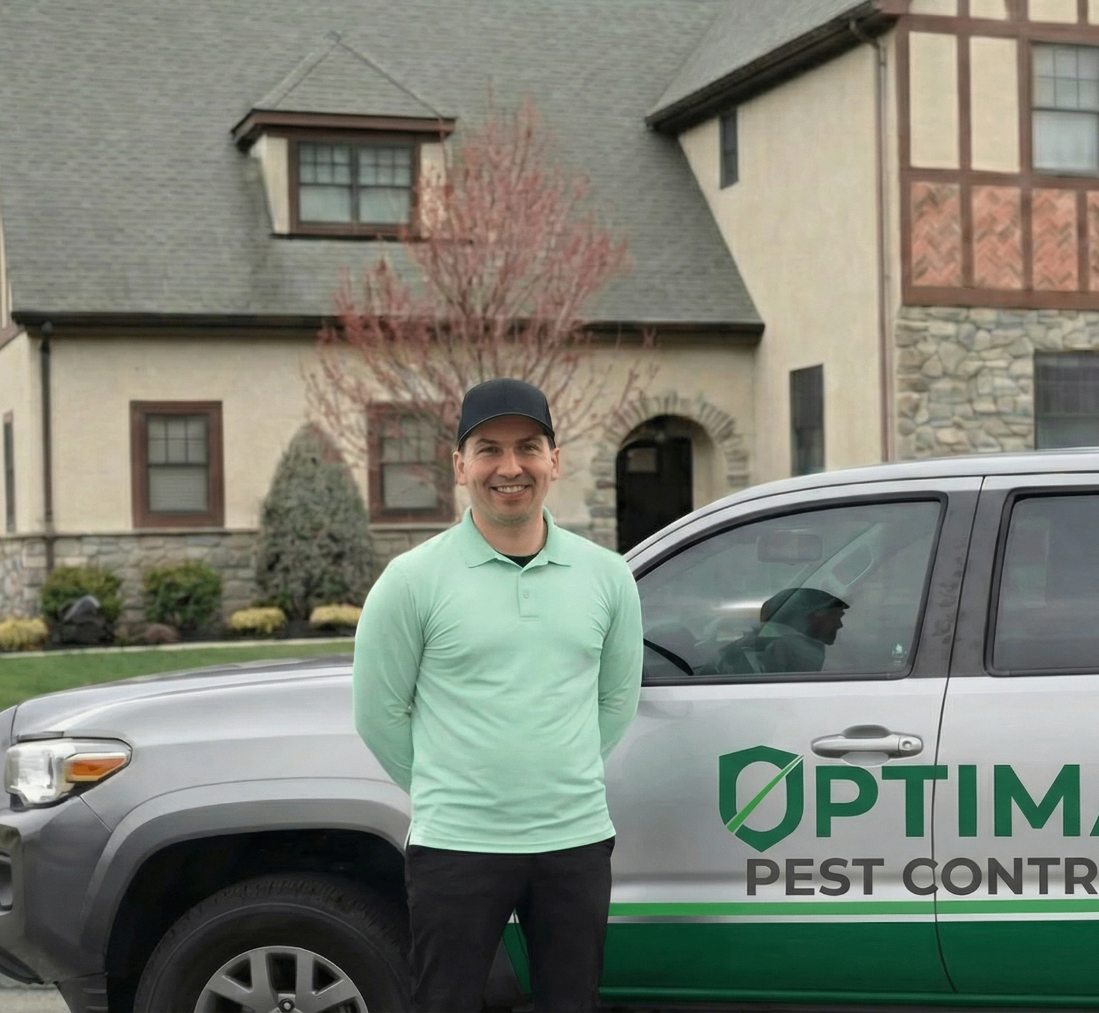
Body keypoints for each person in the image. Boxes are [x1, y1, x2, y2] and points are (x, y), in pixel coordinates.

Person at [352, 378, 643, 1013]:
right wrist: (454, 786)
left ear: (554, 460)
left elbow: (616, 701)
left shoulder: (608, 576)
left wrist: (555, 773)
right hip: (457, 843)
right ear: (460, 465)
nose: (510, 467)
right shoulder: (411, 580)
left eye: (528, 448)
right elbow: (379, 713)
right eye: (489, 449)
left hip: (575, 840)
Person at [710, 587, 850, 674]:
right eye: (835, 617)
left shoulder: (738, 648)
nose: (839, 625)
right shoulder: (798, 648)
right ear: (816, 616)